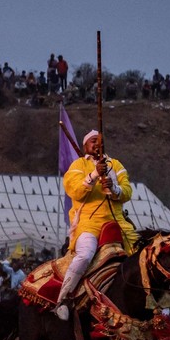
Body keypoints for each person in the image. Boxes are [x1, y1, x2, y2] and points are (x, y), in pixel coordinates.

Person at [55, 130, 139, 320]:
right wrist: (93, 175)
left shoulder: (115, 164)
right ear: (85, 146)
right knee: (85, 255)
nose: (97, 144)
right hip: (88, 222)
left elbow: (127, 191)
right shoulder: (78, 165)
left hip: (117, 221)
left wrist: (114, 188)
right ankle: (63, 299)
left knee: (141, 254)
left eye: (100, 141)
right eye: (93, 141)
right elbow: (75, 191)